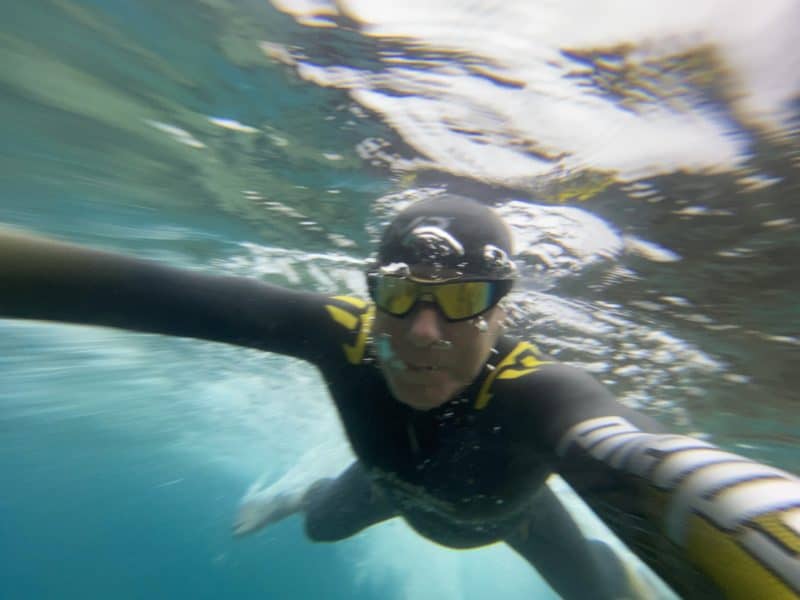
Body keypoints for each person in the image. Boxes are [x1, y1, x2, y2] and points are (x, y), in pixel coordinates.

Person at [1, 195, 798, 600]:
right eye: (398, 295)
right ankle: (297, 494)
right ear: (372, 293)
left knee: (598, 594)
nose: (422, 331)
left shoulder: (539, 388)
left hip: (513, 520)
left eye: (462, 298)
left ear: (504, 308)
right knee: (317, 527)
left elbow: (635, 453)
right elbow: (144, 292)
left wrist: (728, 508)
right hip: (385, 489)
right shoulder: (338, 331)